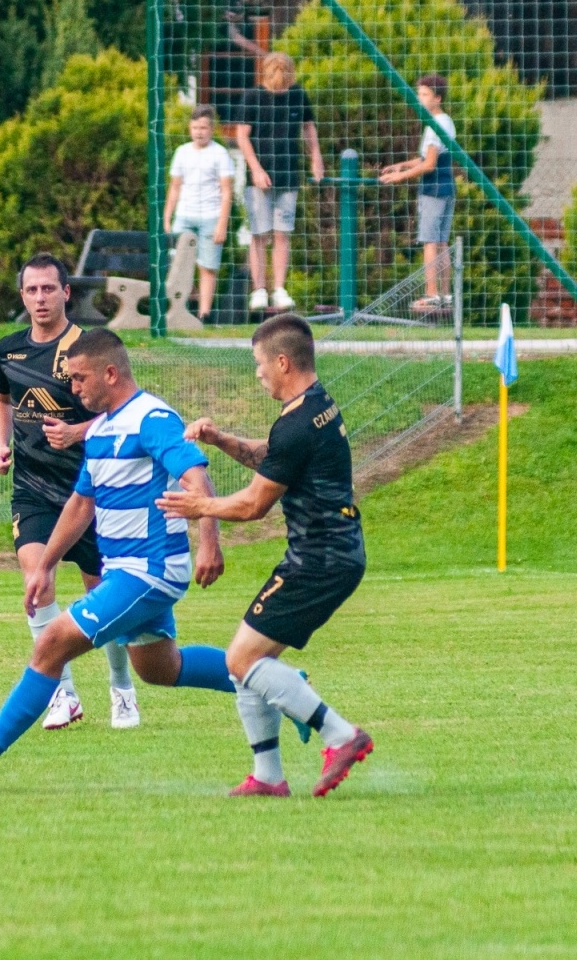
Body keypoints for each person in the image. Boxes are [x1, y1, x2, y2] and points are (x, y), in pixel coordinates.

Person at [0, 328, 237, 790]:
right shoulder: (101, 429)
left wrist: (209, 543)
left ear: (110, 373)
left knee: (51, 645)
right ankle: (277, 684)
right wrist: (43, 565)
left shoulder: (151, 418)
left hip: (149, 570)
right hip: (130, 570)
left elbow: (196, 476)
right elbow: (82, 504)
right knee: (160, 669)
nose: (72, 390)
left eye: (79, 380)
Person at [157, 314, 372, 797]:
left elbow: (255, 504)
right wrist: (222, 440)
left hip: (319, 558)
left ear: (282, 361)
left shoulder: (298, 424)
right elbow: (272, 454)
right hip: (332, 553)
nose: (257, 373)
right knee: (246, 662)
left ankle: (340, 734)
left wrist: (200, 506)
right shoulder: (314, 407)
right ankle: (269, 777)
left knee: (241, 659)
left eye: (259, 363)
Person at [0, 254, 142, 730]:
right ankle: (64, 694)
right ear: (22, 296)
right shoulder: (7, 351)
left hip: (91, 492)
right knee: (38, 581)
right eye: (32, 290)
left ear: (66, 293)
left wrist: (77, 434)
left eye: (49, 289)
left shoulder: (87, 348)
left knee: (103, 600)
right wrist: (0, 444)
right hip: (33, 491)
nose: (40, 298)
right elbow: (0, 399)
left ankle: (122, 689)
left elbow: (126, 409)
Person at [236, 52, 324, 315]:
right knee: (259, 233)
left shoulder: (297, 94)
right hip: (260, 177)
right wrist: (256, 169)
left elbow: (308, 127)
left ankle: (279, 288)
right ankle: (259, 289)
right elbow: (242, 136)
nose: (282, 85)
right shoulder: (253, 97)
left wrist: (315, 158)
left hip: (288, 174)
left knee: (282, 232)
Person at [378, 74, 456, 310]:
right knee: (441, 241)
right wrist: (402, 164)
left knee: (430, 242)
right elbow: (426, 158)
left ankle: (431, 295)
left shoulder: (434, 125)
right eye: (418, 94)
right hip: (447, 188)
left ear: (438, 98)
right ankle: (445, 295)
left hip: (433, 190)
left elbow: (429, 164)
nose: (419, 99)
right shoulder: (446, 121)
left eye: (424, 95)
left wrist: (398, 177)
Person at [164, 104, 234, 324]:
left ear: (211, 129)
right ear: (190, 128)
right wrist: (168, 216)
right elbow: (175, 187)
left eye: (203, 127)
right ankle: (178, 310)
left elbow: (226, 192)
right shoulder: (182, 152)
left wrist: (221, 224)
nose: (199, 132)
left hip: (210, 217)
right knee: (178, 265)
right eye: (195, 127)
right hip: (185, 215)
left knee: (207, 266)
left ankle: (204, 314)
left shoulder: (220, 154)